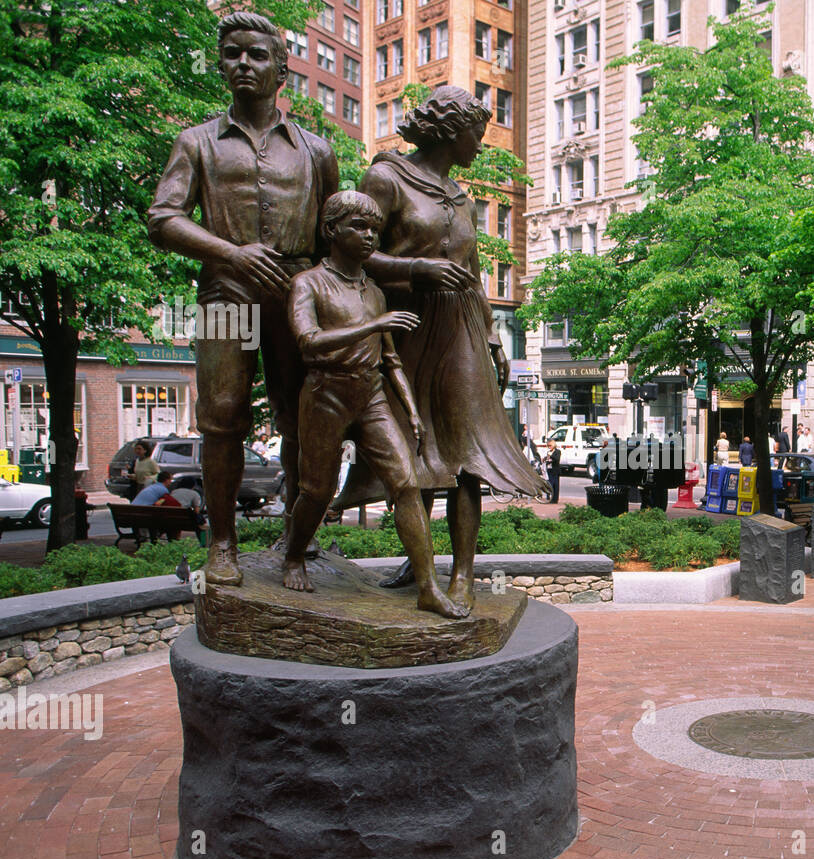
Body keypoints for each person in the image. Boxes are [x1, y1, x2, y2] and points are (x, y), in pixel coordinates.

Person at [332, 86, 548, 610]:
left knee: (466, 451)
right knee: (420, 447)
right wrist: (416, 270)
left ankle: (464, 576)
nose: (482, 143)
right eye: (478, 132)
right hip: (408, 326)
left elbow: (472, 273)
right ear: (452, 131)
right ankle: (421, 564)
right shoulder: (385, 178)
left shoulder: (462, 196)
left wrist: (494, 335)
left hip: (462, 330)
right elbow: (353, 255)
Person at [148, 11, 340, 586]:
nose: (243, 65)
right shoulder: (197, 142)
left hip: (295, 296)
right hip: (226, 292)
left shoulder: (317, 151)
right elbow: (163, 219)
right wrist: (230, 253)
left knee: (300, 420)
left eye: (257, 55)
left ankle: (296, 543)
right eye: (232, 54)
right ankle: (223, 544)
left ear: (283, 70)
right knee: (223, 419)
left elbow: (335, 233)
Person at [281, 190, 465, 617]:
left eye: (374, 230)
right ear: (331, 231)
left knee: (405, 484)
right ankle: (293, 555)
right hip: (325, 394)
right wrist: (373, 324)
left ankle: (427, 587)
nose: (369, 237)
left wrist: (412, 410)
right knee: (317, 490)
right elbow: (308, 343)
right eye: (358, 227)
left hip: (371, 395)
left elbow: (391, 359)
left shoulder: (375, 292)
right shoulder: (308, 283)